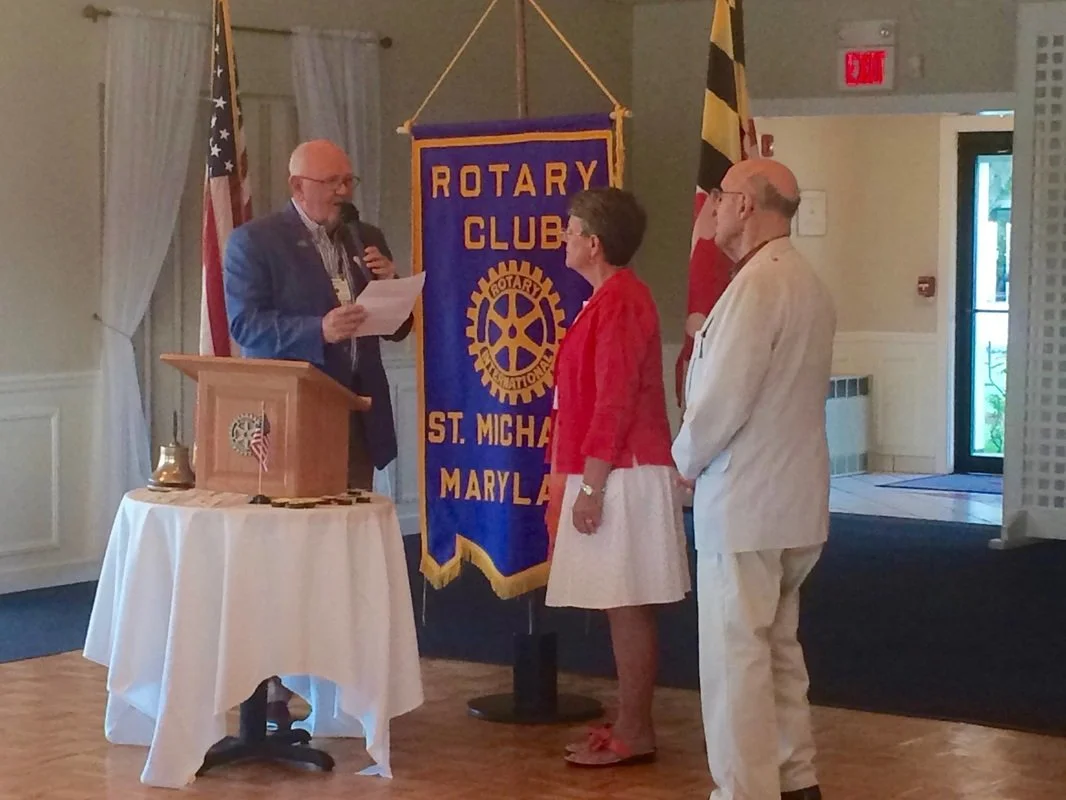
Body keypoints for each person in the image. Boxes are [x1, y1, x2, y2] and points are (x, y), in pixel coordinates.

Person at [223, 139, 412, 728]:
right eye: (333, 182)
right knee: (285, 556)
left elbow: (395, 328)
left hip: (356, 415)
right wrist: (318, 330)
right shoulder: (255, 242)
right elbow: (244, 324)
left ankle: (339, 684)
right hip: (292, 424)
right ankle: (272, 681)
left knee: (339, 556)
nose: (344, 192)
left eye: (348, 181)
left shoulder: (364, 237)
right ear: (297, 184)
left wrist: (394, 287)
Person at [671, 159, 835, 800]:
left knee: (735, 658)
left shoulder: (759, 287)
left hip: (745, 504)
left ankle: (744, 791)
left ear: (746, 206)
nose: (710, 206)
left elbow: (720, 401)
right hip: (789, 502)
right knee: (776, 652)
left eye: (720, 194)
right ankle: (795, 779)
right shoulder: (802, 280)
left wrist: (681, 465)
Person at [545, 187, 690, 767]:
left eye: (570, 229)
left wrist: (592, 484)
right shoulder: (606, 299)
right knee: (619, 602)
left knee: (627, 603)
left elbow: (615, 401)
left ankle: (635, 729)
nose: (564, 237)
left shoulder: (623, 301)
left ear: (593, 242)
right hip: (614, 471)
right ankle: (631, 722)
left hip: (622, 473)